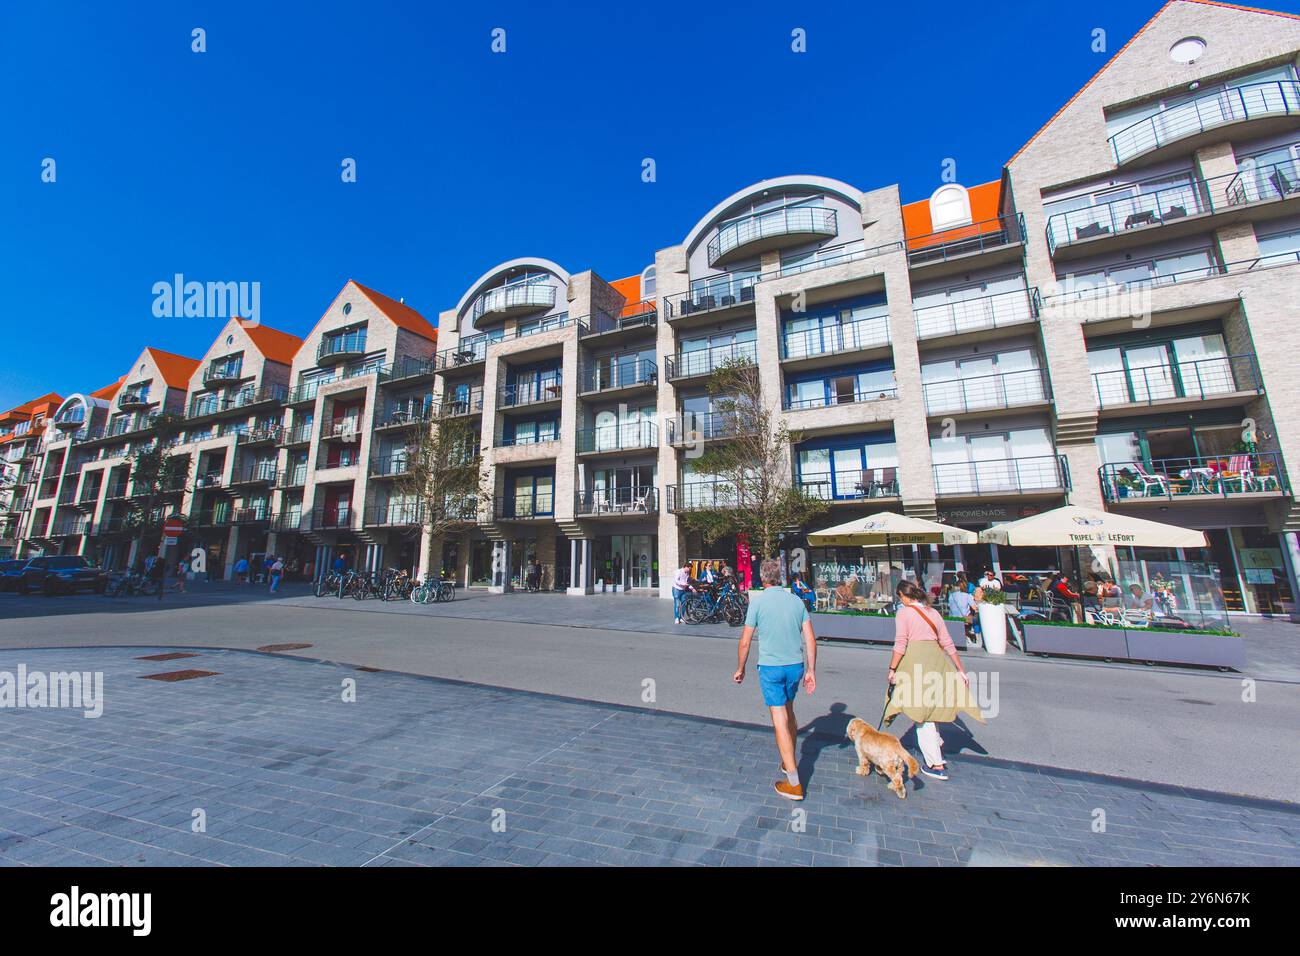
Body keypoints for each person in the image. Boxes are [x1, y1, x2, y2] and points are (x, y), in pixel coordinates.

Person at [734, 558, 816, 801]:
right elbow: (810, 639)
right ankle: (787, 756)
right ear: (780, 577)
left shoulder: (757, 603)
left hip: (771, 667)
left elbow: (745, 640)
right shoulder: (796, 601)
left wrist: (741, 668)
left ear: (762, 578)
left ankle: (793, 782)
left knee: (778, 717)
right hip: (795, 666)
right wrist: (811, 669)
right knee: (789, 709)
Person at [883, 580, 983, 780]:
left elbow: (901, 643)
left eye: (899, 597)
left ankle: (936, 764)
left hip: (916, 663)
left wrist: (892, 668)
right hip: (937, 662)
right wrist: (960, 669)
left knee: (921, 715)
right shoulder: (933, 612)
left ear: (903, 596)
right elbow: (947, 642)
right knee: (929, 709)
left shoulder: (903, 613)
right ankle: (936, 741)